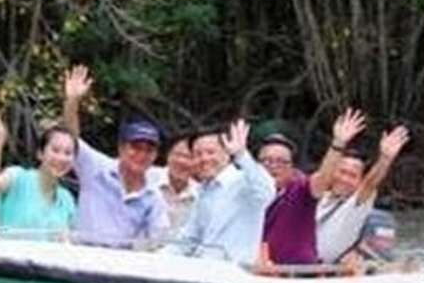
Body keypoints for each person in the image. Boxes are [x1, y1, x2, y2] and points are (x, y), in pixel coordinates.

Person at [60, 64, 163, 246]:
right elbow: (70, 137)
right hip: (82, 257)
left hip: (118, 265)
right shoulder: (96, 167)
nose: (141, 154)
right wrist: (72, 101)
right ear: (121, 148)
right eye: (135, 147)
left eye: (149, 150)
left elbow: (157, 241)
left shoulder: (153, 196)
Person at [255, 110, 363, 270]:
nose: (273, 167)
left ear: (292, 168)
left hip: (300, 274)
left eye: (281, 162)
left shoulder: (301, 188)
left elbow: (323, 179)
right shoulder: (247, 191)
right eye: (267, 161)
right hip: (256, 272)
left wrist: (338, 144)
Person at [166, 119, 275, 263]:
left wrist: (242, 155)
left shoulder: (244, 181)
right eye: (198, 154)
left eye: (211, 152)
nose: (204, 158)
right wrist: (153, 258)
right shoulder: (203, 190)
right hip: (202, 273)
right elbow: (189, 239)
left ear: (227, 153)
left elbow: (266, 192)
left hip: (235, 276)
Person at [0, 108, 76, 238]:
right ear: (40, 154)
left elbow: (69, 240)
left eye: (68, 153)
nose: (61, 158)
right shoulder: (18, 177)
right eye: (55, 150)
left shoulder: (67, 199)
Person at [317, 124, 410, 265]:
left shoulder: (356, 205)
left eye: (352, 175)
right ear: (333, 171)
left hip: (324, 272)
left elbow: (370, 183)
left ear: (359, 181)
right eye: (342, 172)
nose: (344, 179)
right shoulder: (317, 196)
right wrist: (338, 142)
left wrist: (385, 158)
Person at [149, 135, 199, 237]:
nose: (182, 161)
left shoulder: (200, 194)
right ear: (168, 156)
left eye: (189, 157)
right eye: (178, 155)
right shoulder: (146, 178)